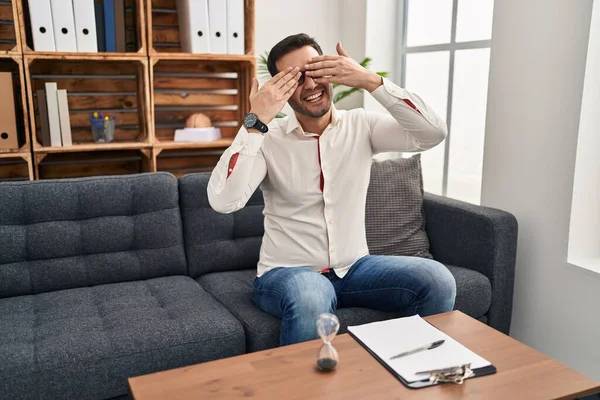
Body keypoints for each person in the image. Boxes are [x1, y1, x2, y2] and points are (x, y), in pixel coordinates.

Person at [207, 33, 456, 346]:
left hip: (356, 269)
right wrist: (255, 123)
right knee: (312, 293)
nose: (310, 85)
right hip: (286, 274)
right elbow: (223, 201)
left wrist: (369, 80)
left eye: (315, 71)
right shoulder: (268, 139)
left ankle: (410, 376)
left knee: (437, 280)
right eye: (295, 79)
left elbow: (433, 133)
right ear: (280, 90)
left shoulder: (361, 125)